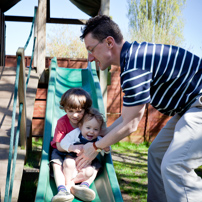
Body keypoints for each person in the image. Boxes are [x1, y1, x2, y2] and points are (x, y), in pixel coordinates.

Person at [75, 15, 202, 202]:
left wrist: (95, 147)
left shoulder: (135, 66)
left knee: (175, 165)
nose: (90, 57)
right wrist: (103, 134)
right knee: (156, 154)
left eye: (91, 49)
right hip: (188, 107)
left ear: (109, 42)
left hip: (199, 104)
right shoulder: (134, 58)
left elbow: (130, 125)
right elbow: (128, 117)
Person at [50, 87, 92, 202]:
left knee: (96, 166)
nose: (75, 115)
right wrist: (73, 147)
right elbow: (58, 146)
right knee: (56, 164)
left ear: (86, 109)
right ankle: (62, 189)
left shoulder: (88, 122)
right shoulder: (62, 122)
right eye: (71, 111)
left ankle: (83, 185)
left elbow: (98, 134)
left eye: (79, 111)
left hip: (79, 154)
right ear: (65, 109)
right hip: (62, 151)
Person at [60, 107, 110, 201]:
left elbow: (107, 150)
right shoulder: (75, 133)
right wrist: (72, 147)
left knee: (90, 172)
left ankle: (78, 185)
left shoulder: (99, 139)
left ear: (99, 130)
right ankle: (67, 185)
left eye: (96, 129)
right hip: (73, 161)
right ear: (80, 126)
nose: (91, 131)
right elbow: (63, 143)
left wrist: (106, 148)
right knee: (68, 163)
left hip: (85, 166)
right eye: (88, 128)